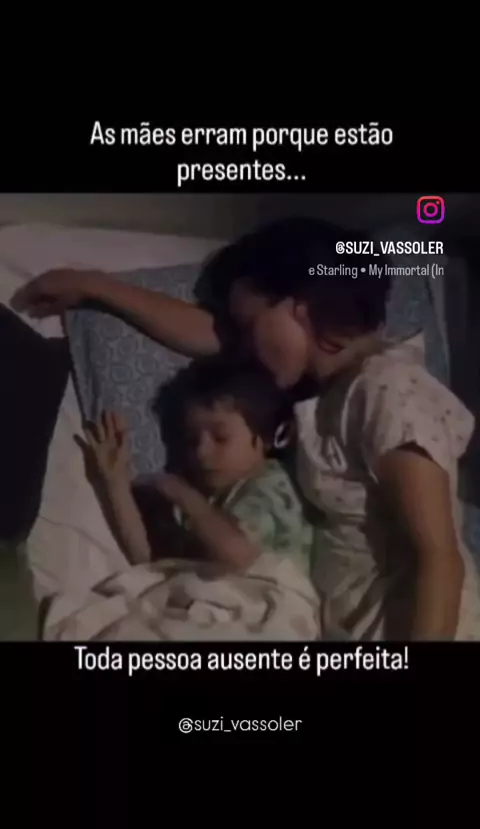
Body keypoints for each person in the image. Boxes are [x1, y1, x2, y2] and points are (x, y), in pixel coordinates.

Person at [12, 217, 480, 640]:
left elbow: (438, 559)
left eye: (249, 324)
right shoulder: (321, 399)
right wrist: (95, 288)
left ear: (299, 309)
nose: (245, 346)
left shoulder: (386, 390)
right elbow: (213, 336)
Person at [42, 357, 318, 642]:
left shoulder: (271, 482)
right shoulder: (207, 503)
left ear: (265, 437)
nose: (201, 452)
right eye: (192, 440)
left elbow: (239, 556)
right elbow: (152, 563)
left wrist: (182, 495)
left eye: (220, 437)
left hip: (270, 612)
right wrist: (116, 483)